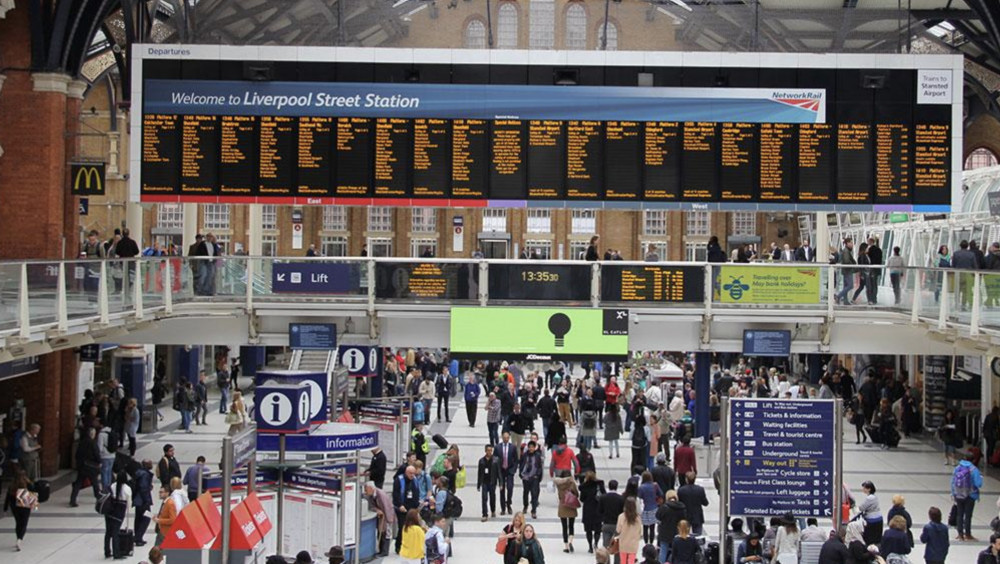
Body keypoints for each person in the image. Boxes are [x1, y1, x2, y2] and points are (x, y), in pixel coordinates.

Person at [953, 451, 985, 541]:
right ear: (973, 459)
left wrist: (953, 493)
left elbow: (953, 481)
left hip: (958, 494)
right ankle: (968, 534)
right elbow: (978, 484)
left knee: (959, 514)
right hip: (970, 495)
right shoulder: (974, 469)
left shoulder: (958, 468)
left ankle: (960, 534)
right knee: (968, 515)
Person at [4, 470, 37, 551]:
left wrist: (5, 508)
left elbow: (7, 497)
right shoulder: (27, 484)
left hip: (14, 506)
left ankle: (18, 537)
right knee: (24, 523)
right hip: (25, 504)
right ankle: (20, 539)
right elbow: (34, 491)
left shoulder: (12, 485)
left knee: (18, 522)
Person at [69, 424, 102, 507]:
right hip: (91, 466)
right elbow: (96, 454)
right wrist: (99, 462)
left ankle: (73, 499)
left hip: (82, 466)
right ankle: (98, 497)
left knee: (78, 482)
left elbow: (77, 454)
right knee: (95, 482)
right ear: (92, 434)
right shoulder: (93, 443)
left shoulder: (82, 442)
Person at [393, 465, 421, 553]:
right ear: (406, 472)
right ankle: (398, 546)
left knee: (413, 528)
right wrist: (400, 505)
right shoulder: (399, 480)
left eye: (414, 473)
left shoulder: (415, 480)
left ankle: (410, 545)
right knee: (402, 527)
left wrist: (417, 506)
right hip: (402, 508)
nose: (412, 475)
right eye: (410, 473)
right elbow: (396, 494)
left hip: (412, 508)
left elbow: (417, 493)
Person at [105, 470, 133, 559]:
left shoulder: (112, 486)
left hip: (109, 511)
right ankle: (116, 553)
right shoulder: (127, 488)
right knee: (115, 533)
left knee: (108, 532)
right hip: (119, 512)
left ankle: (107, 551)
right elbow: (129, 503)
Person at [655, 489, 685, 562]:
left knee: (663, 551)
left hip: (664, 533)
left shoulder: (664, 507)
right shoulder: (681, 507)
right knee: (677, 552)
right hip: (677, 532)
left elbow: (657, 517)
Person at [554, 470, 581, 553]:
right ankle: (570, 541)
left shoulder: (559, 484)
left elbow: (558, 495)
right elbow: (576, 494)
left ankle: (566, 546)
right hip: (571, 506)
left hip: (562, 505)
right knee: (571, 525)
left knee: (564, 527)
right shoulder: (572, 484)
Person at [599, 479, 626, 560]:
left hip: (606, 523)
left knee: (605, 545)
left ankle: (606, 561)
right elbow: (622, 513)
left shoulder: (603, 497)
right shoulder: (621, 498)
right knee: (617, 546)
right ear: (617, 487)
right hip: (617, 525)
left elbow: (600, 511)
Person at [580, 471, 606, 553]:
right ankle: (596, 543)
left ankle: (590, 545)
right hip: (597, 509)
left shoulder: (584, 487)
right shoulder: (599, 485)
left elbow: (582, 499)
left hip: (588, 510)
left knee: (588, 530)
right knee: (597, 529)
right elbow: (604, 494)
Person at [519, 440, 544, 519]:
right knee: (525, 493)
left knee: (534, 494)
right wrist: (521, 474)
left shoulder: (537, 456)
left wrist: (538, 475)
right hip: (526, 477)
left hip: (534, 478)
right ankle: (525, 506)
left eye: (532, 447)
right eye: (530, 447)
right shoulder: (524, 455)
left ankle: (534, 510)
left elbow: (540, 467)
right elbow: (521, 464)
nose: (531, 449)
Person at [614, 496, 642, 564]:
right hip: (633, 544)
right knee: (631, 561)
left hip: (623, 543)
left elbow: (618, 530)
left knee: (623, 561)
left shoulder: (621, 516)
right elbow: (641, 532)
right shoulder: (638, 518)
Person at [636, 471, 662, 545]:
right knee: (652, 528)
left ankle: (646, 543)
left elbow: (639, 498)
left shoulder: (641, 487)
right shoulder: (655, 485)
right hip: (654, 508)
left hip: (644, 509)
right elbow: (661, 494)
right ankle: (651, 543)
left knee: (645, 528)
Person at [496, 432, 518, 516]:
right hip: (501, 471)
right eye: (504, 437)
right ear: (502, 437)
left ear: (509, 438)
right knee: (502, 489)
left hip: (509, 470)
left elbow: (516, 460)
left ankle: (508, 504)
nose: (506, 439)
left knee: (510, 488)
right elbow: (495, 459)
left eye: (507, 438)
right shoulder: (498, 447)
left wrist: (513, 470)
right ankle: (503, 508)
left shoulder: (512, 447)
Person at [133, 460, 155, 547]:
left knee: (138, 518)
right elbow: (143, 488)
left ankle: (138, 537)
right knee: (147, 517)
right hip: (143, 501)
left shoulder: (139, 473)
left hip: (137, 500)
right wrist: (147, 500)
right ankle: (138, 537)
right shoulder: (145, 475)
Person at [856, 480, 883, 545]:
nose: (863, 489)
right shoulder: (875, 497)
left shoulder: (869, 498)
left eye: (864, 488)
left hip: (872, 520)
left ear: (869, 489)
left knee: (869, 539)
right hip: (879, 518)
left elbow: (861, 507)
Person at [477, 444, 500, 521]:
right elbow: (479, 473)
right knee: (484, 498)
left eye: (491, 450)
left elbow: (498, 472)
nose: (489, 452)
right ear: (485, 451)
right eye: (488, 450)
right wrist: (478, 484)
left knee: (492, 497)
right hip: (484, 482)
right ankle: (484, 514)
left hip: (492, 482)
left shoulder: (496, 460)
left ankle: (493, 510)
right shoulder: (481, 461)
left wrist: (501, 483)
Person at [835, 238, 856, 305]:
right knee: (850, 285)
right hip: (847, 270)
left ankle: (845, 301)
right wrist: (852, 264)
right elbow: (846, 261)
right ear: (847, 243)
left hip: (845, 270)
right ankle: (838, 296)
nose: (852, 244)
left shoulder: (846, 251)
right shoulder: (846, 251)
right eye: (851, 243)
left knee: (846, 285)